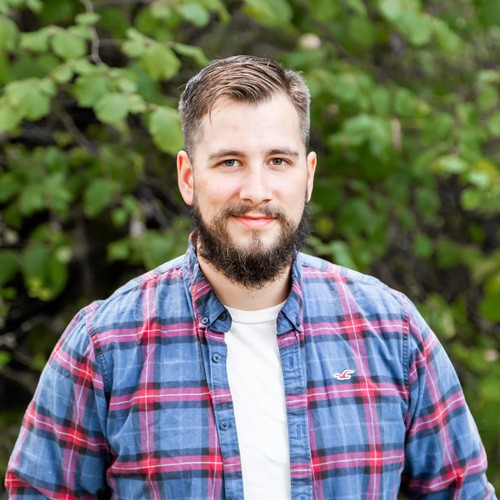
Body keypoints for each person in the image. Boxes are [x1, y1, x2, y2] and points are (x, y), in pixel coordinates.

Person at [5, 55, 496, 499]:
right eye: (230, 162)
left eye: (278, 161)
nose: (256, 189)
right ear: (188, 177)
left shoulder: (392, 330)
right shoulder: (105, 344)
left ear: (307, 176)